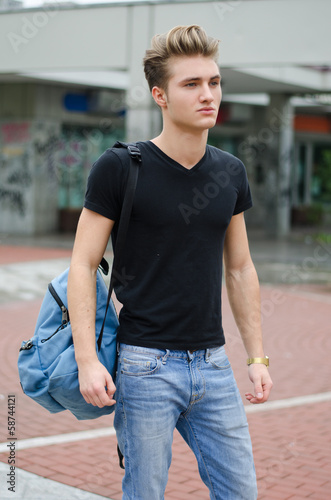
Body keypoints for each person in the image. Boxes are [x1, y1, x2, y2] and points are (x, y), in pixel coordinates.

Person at [68, 24, 273, 500]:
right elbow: (82, 264)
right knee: (145, 493)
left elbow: (240, 268)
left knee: (241, 491)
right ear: (159, 95)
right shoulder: (120, 167)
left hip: (214, 363)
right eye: (192, 84)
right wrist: (86, 360)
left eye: (215, 82)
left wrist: (257, 356)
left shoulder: (229, 172)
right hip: (145, 366)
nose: (209, 95)